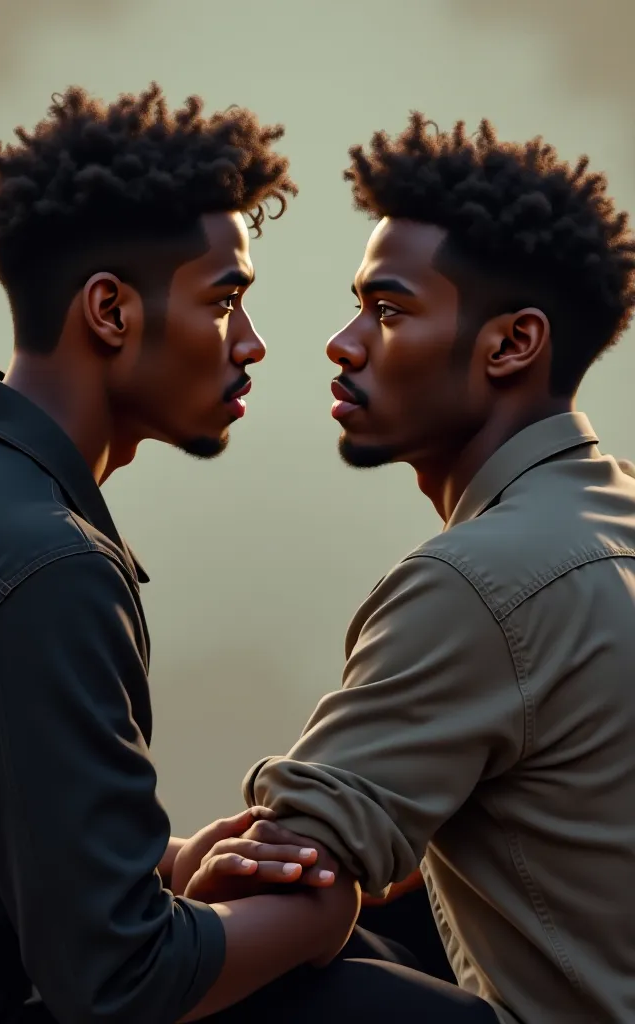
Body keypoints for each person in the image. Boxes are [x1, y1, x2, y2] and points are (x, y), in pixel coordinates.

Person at [0, 84, 428, 1024]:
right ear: (111, 312)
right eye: (225, 300)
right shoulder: (49, 569)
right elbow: (119, 984)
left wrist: (169, 861)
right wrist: (320, 910)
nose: (250, 344)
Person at [243, 113, 635, 1022]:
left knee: (219, 964)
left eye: (388, 312)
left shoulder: (478, 582)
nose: (343, 344)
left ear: (510, 345)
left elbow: (288, 865)